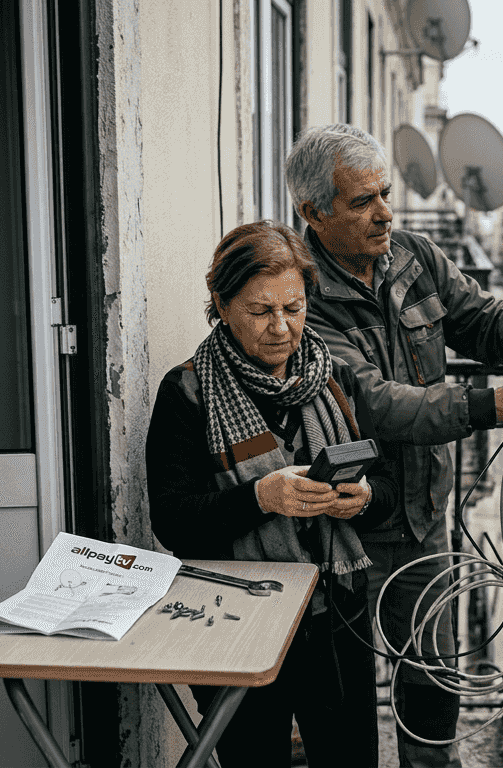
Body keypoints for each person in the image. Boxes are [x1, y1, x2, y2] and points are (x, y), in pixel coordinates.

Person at [286, 123, 503, 767]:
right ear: (313, 212)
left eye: (384, 193)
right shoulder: (301, 296)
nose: (384, 212)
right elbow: (373, 403)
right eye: (361, 202)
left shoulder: (414, 257)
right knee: (345, 705)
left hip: (421, 519)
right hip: (344, 529)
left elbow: (487, 330)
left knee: (430, 684)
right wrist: (486, 405)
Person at [146, 221, 397, 768]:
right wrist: (261, 496)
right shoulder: (188, 392)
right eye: (261, 311)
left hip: (336, 618)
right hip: (235, 624)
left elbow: (389, 490)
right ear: (221, 302)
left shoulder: (334, 380)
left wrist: (365, 498)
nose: (282, 328)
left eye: (295, 307)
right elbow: (173, 521)